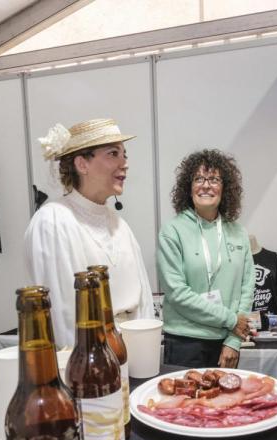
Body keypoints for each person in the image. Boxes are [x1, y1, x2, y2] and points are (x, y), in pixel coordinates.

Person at [24, 118, 153, 349]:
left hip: (134, 353)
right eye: (113, 153)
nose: (125, 163)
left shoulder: (120, 225)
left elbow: (143, 302)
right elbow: (62, 315)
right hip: (92, 362)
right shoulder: (53, 221)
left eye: (125, 154)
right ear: (82, 164)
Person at [157, 149, 254, 368]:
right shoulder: (172, 231)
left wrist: (234, 341)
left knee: (226, 403)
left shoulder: (238, 232)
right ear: (188, 187)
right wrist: (231, 320)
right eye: (198, 178)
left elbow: (247, 289)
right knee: (185, 404)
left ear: (225, 187)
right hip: (185, 342)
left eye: (214, 179)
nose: (206, 185)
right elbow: (177, 293)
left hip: (227, 341)